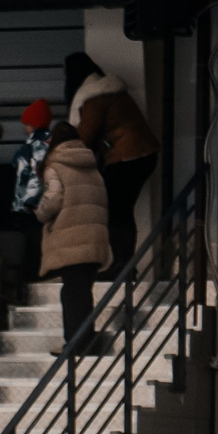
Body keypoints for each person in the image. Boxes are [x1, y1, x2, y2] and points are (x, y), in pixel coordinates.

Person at [66, 54, 158, 275]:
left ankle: (122, 265)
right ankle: (124, 264)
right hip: (142, 154)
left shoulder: (94, 96)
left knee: (115, 211)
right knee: (121, 210)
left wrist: (65, 153)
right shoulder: (111, 90)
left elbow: (86, 135)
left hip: (127, 157)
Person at [34, 122, 108, 340]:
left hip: (71, 239)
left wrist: (40, 213)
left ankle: (76, 343)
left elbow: (53, 199)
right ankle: (85, 339)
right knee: (83, 292)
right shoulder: (92, 165)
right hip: (94, 238)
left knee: (71, 294)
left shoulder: (55, 166)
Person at [8, 98, 54, 217]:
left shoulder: (36, 147)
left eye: (27, 125)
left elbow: (36, 176)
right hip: (36, 205)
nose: (24, 129)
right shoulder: (47, 143)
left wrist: (27, 203)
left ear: (34, 125)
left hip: (30, 207)